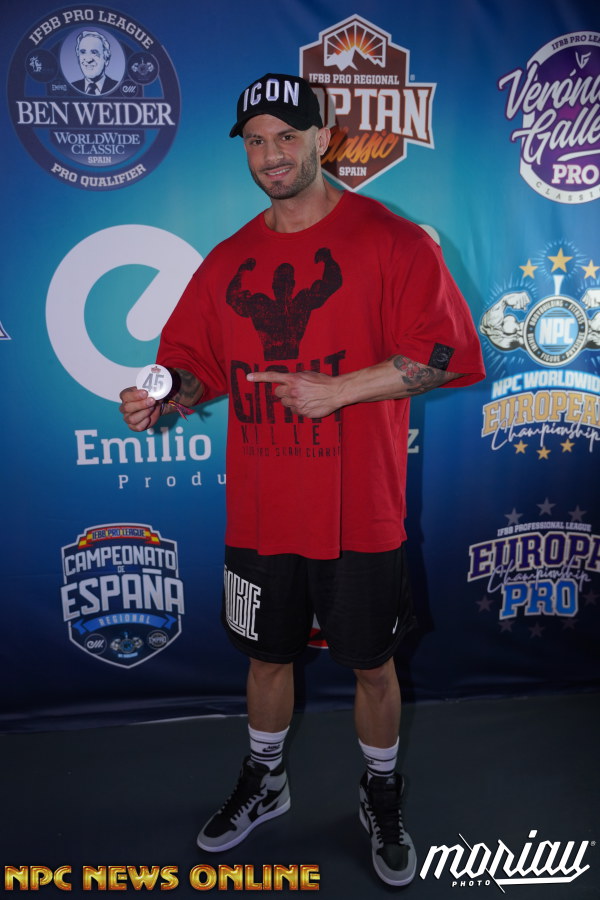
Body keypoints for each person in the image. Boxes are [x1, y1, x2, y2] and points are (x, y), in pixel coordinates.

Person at [119, 72, 485, 888]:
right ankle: (266, 781)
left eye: (288, 136)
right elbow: (191, 365)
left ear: (323, 138)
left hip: (361, 509)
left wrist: (340, 389)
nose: (271, 154)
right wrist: (162, 396)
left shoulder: (393, 241)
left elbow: (444, 354)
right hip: (261, 509)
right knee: (264, 658)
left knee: (372, 665)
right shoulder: (228, 259)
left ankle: (380, 792)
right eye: (256, 141)